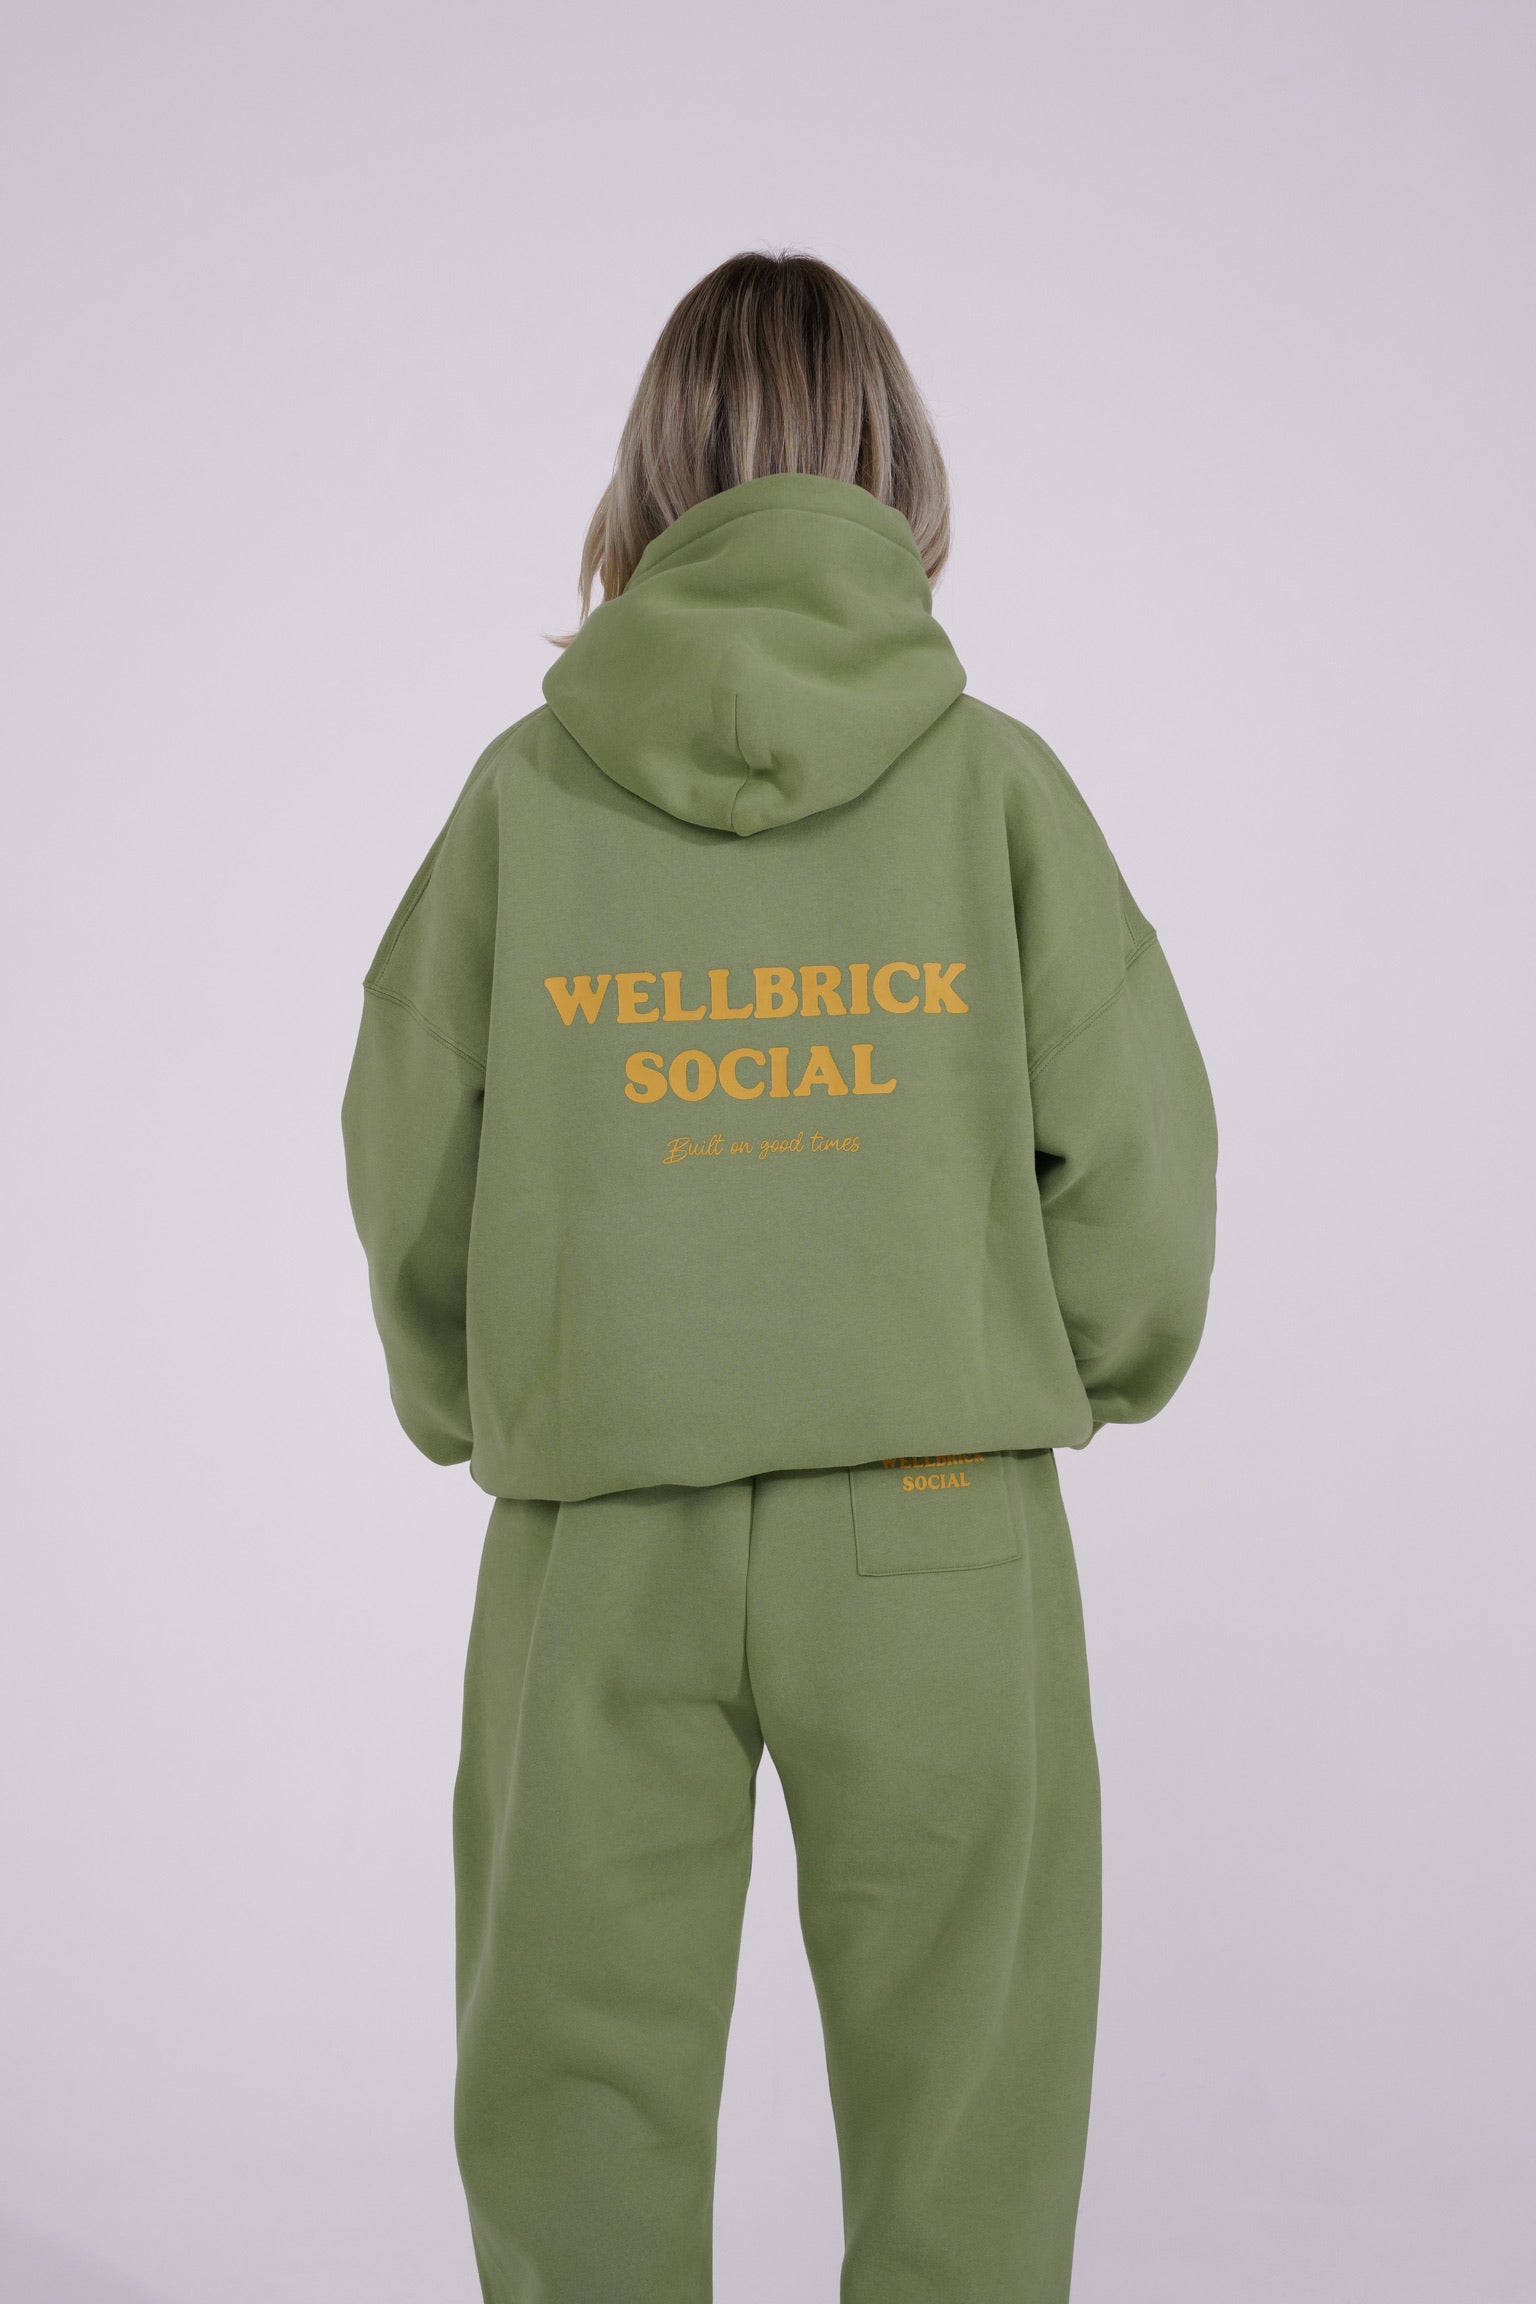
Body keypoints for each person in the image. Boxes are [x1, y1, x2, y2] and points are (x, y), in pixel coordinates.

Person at [341, 248, 1219, 2304]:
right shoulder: (995, 787)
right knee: (967, 2107)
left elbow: (411, 1147)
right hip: (941, 1515)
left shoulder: (526, 798)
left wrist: (479, 1396)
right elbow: (1143, 1168)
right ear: (898, 467)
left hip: (599, 1526)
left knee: (573, 2090)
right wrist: (1065, 1365)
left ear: (650, 474)